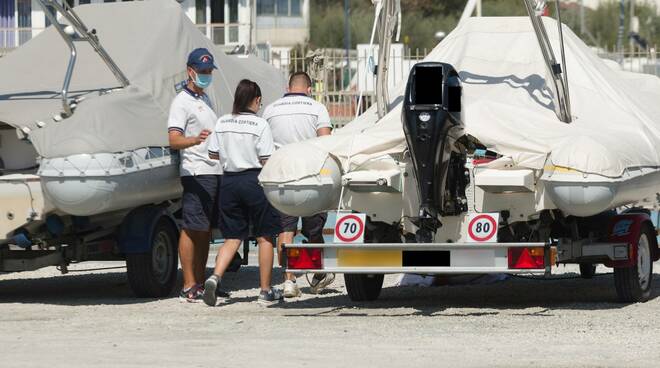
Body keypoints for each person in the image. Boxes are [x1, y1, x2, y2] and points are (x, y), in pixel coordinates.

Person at [203, 79, 283, 306]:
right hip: (253, 180)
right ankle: (265, 290)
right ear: (256, 100)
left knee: (232, 237)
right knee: (265, 235)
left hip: (228, 182)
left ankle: (215, 277)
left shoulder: (223, 122)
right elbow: (267, 159)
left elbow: (212, 154)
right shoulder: (260, 125)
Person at [262, 71, 334, 298]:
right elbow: (326, 141)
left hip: (281, 175)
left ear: (288, 86)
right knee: (314, 231)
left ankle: (289, 280)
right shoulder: (316, 108)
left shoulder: (271, 110)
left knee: (286, 229)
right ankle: (316, 271)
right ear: (309, 89)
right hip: (310, 176)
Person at [167, 48, 222, 302]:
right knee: (191, 228)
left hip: (212, 171)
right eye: (202, 71)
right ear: (190, 71)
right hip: (196, 172)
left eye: (209, 71)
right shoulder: (181, 102)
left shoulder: (204, 99)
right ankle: (188, 283)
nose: (207, 75)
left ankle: (199, 282)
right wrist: (195, 140)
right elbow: (173, 139)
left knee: (204, 229)